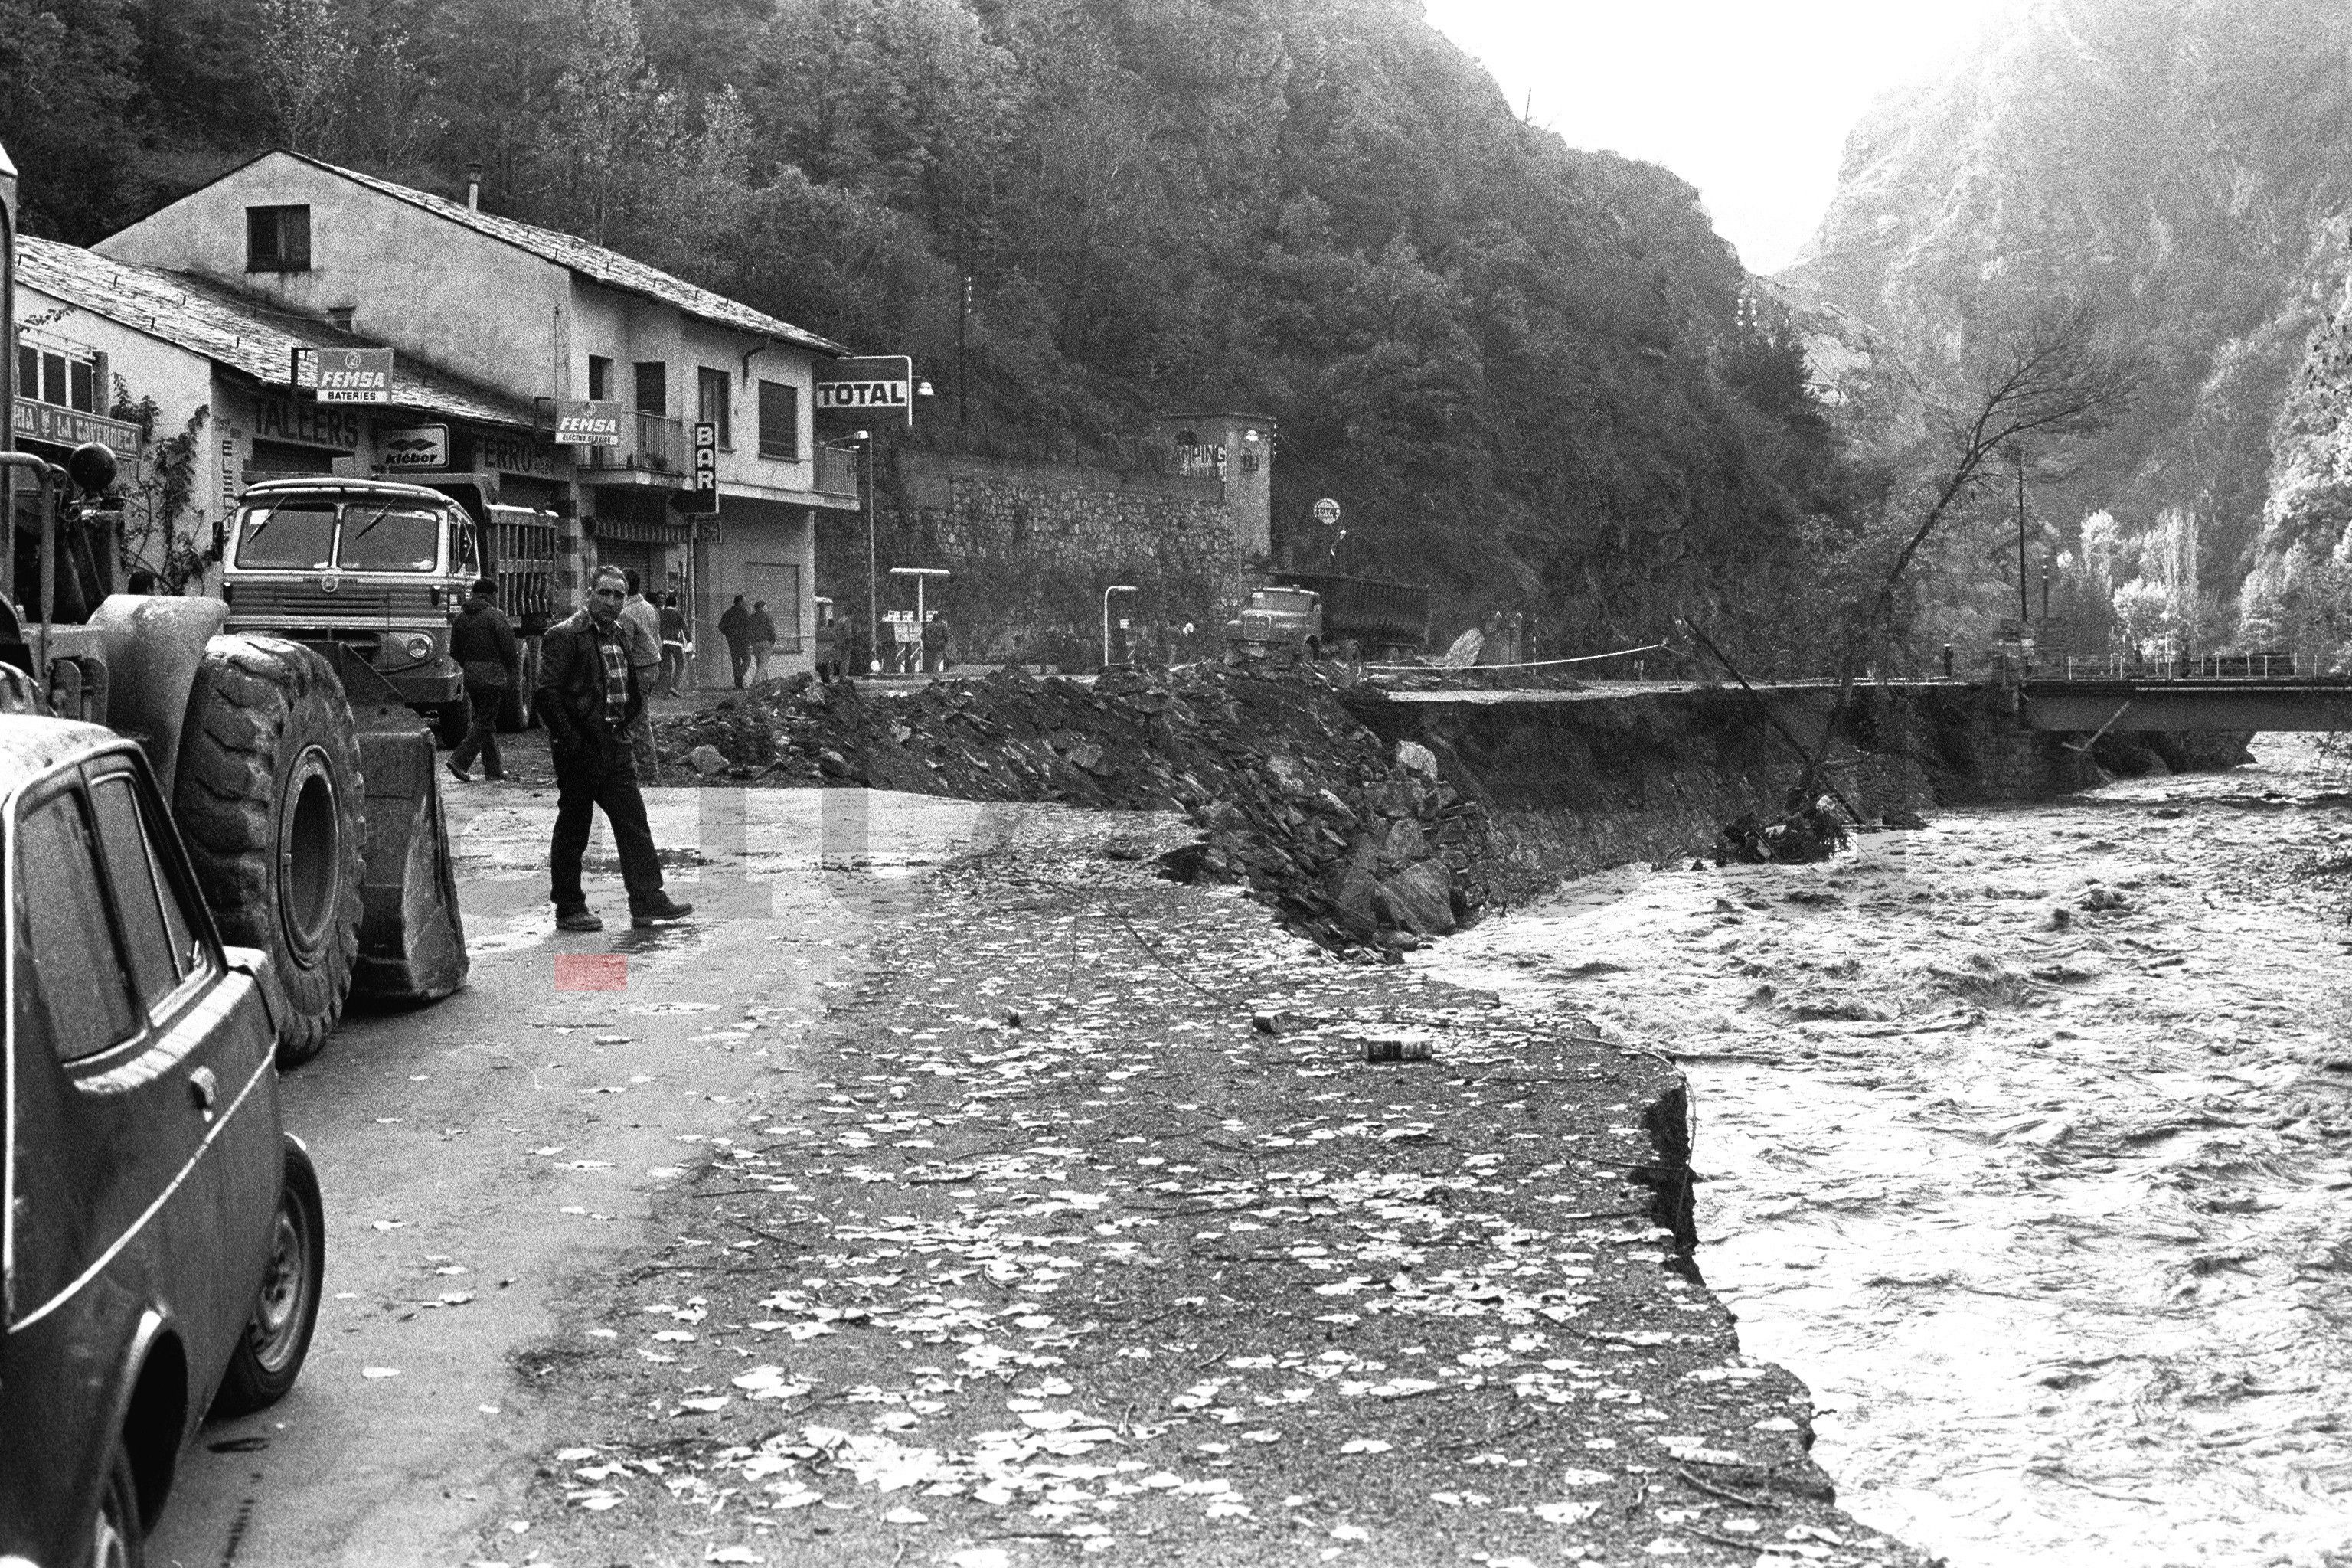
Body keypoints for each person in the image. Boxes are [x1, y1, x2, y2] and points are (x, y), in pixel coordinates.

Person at [536, 566, 694, 933]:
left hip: (615, 744)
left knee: (633, 823)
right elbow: (546, 693)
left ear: (626, 600)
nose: (611, 601)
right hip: (580, 748)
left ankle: (647, 899)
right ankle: (570, 907)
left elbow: (627, 686)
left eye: (618, 595)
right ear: (589, 594)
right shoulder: (565, 635)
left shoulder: (621, 633)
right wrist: (571, 740)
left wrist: (627, 721)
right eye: (604, 593)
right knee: (575, 827)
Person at [446, 577, 518, 782]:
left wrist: (470, 664)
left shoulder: (460, 619)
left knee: (485, 722)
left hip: (471, 676)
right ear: (491, 595)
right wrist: (509, 670)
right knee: (485, 722)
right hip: (492, 678)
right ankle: (459, 761)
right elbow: (510, 650)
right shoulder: (495, 617)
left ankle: (494, 770)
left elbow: (454, 651)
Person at [618, 570, 665, 778]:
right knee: (636, 716)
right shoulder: (649, 608)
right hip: (653, 666)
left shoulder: (626, 614)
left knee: (638, 719)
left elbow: (624, 648)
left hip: (639, 670)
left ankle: (648, 769)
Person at [659, 592, 688, 696]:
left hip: (665, 643)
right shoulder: (678, 614)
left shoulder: (661, 614)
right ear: (676, 604)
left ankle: (665, 692)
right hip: (676, 643)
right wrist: (689, 641)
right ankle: (674, 686)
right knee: (680, 664)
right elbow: (685, 629)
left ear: (666, 604)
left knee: (667, 668)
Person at [720, 593, 751, 688]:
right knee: (747, 659)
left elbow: (721, 626)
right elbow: (748, 627)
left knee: (735, 661)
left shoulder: (728, 613)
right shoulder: (744, 612)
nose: (745, 603)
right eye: (744, 601)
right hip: (743, 641)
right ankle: (740, 674)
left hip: (732, 641)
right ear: (740, 602)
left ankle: (738, 684)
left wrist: (729, 635)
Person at [747, 599, 777, 682]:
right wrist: (772, 641)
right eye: (766, 606)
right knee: (763, 664)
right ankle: (756, 682)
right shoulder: (766, 616)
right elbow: (771, 629)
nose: (767, 608)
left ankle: (765, 682)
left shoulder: (751, 618)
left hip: (755, 644)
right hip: (766, 643)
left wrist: (752, 641)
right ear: (762, 607)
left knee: (759, 664)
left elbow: (749, 631)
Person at [920, 611, 949, 675]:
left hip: (930, 645)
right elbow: (946, 636)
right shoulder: (942, 625)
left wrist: (926, 642)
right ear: (939, 619)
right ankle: (935, 672)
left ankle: (930, 671)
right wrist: (945, 643)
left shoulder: (928, 625)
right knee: (938, 658)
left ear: (932, 618)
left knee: (931, 658)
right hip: (940, 645)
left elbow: (922, 636)